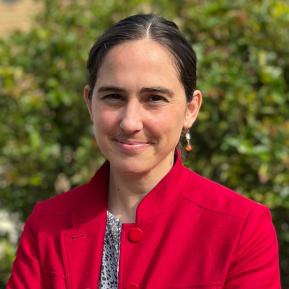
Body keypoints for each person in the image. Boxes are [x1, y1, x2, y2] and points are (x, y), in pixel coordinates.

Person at [6, 14, 280, 289]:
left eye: (154, 99)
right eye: (114, 97)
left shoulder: (241, 229)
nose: (130, 122)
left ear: (190, 109)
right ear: (90, 103)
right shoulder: (48, 224)